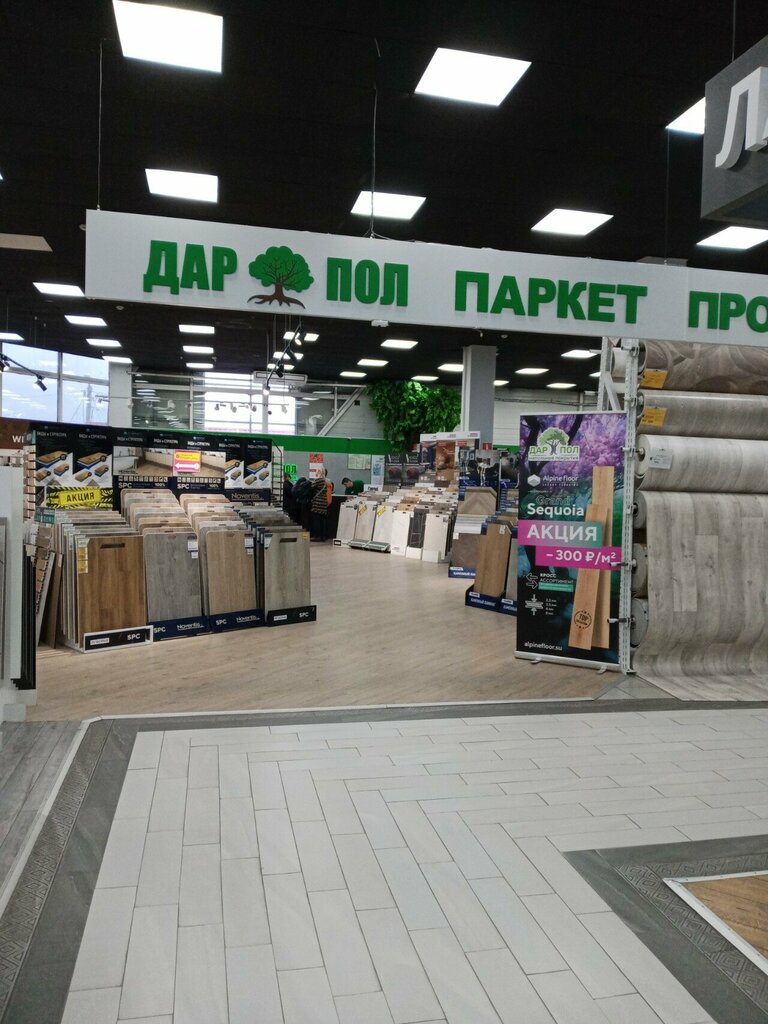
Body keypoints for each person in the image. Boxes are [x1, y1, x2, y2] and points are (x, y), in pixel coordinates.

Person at [310, 469, 329, 541]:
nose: (316, 473)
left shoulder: (318, 480)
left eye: (317, 471)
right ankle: (323, 536)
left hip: (318, 503)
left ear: (320, 473)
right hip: (324, 502)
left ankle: (316, 536)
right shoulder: (327, 481)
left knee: (316, 520)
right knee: (323, 520)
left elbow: (311, 487)